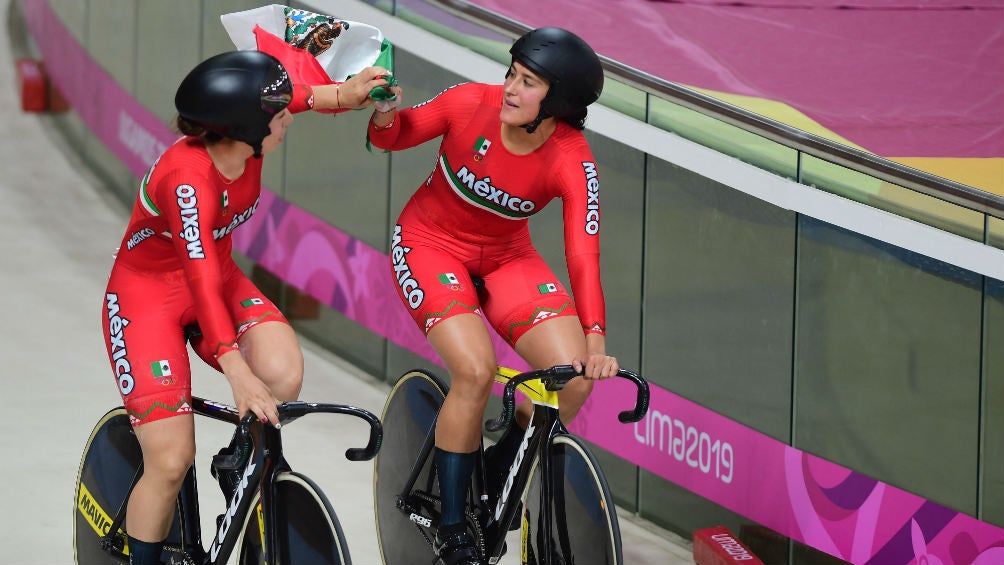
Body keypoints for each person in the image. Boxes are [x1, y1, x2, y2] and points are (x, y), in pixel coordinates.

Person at [99, 49, 390, 565]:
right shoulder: (188, 180)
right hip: (148, 298)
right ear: (243, 129)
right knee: (169, 462)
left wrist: (348, 94)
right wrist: (234, 368)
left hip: (219, 278)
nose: (287, 120)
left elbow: (301, 97)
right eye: (278, 116)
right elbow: (198, 278)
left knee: (281, 376)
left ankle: (241, 461)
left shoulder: (243, 135)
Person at [367, 27, 617, 565]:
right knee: (477, 373)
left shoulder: (572, 157)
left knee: (570, 379)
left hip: (506, 256)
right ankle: (455, 528)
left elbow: (583, 254)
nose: (508, 88)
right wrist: (385, 113)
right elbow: (395, 136)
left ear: (558, 104)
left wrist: (594, 337)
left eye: (527, 83)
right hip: (429, 244)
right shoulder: (467, 103)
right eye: (512, 74)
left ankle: (501, 467)